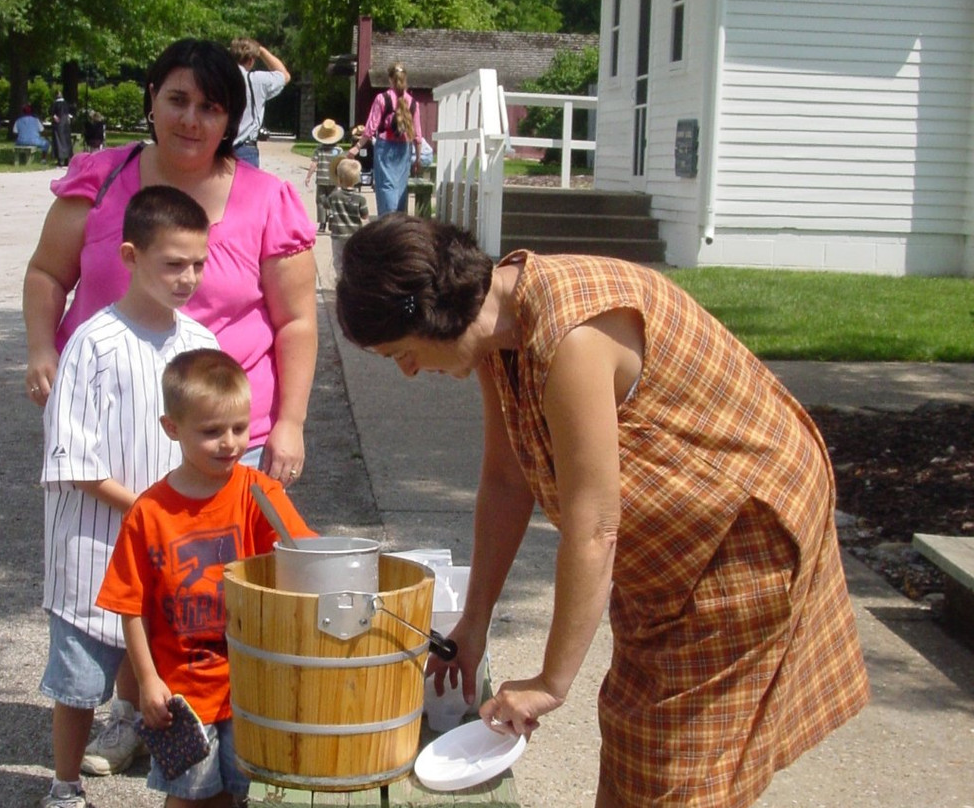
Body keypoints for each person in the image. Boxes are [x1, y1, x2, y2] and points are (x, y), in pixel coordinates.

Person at [334, 215, 871, 808]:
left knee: (680, 762)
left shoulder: (574, 336)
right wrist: (475, 619)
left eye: (400, 353)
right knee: (635, 723)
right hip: (678, 546)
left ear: (429, 315)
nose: (408, 371)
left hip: (742, 536)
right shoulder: (497, 333)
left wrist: (550, 683)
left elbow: (595, 529)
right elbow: (506, 479)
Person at [22, 36, 317, 779]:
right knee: (133, 573)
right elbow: (45, 272)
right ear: (152, 98)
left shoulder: (266, 197)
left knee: (205, 591)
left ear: (232, 119)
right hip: (119, 412)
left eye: (212, 107)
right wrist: (39, 349)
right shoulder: (102, 176)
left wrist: (288, 422)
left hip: (223, 426)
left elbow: (296, 320)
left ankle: (213, 724)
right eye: (178, 99)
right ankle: (133, 715)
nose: (192, 119)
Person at [37, 186, 220, 808]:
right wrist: (151, 508)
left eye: (198, 263)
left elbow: (215, 430)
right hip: (95, 540)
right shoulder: (92, 343)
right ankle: (65, 783)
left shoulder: (199, 342)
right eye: (173, 263)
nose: (187, 277)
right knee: (80, 673)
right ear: (130, 255)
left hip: (169, 543)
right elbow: (73, 457)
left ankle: (173, 760)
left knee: (156, 653)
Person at [96, 348, 316, 808]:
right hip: (183, 694)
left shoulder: (258, 493)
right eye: (212, 431)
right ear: (172, 428)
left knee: (240, 794)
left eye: (239, 428)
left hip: (251, 685)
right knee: (190, 799)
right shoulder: (149, 513)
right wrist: (146, 681)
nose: (230, 443)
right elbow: (128, 606)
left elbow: (309, 555)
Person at [346, 63, 422, 216]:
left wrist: (357, 147)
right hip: (404, 150)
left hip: (385, 148)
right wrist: (418, 159)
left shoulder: (382, 99)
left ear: (390, 80)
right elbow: (417, 136)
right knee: (401, 187)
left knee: (385, 186)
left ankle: (387, 222)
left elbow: (370, 129)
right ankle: (398, 224)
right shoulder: (413, 103)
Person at [229, 37, 290, 168]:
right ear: (251, 60)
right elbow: (284, 75)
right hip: (245, 149)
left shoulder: (217, 77)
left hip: (221, 149)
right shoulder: (257, 80)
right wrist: (261, 50)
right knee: (248, 188)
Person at [325, 157, 368, 274]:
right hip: (354, 234)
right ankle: (352, 280)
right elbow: (364, 216)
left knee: (338, 260)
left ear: (339, 179)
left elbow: (325, 205)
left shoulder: (334, 196)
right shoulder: (360, 199)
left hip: (338, 234)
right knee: (353, 259)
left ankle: (340, 279)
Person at [304, 119, 344, 233]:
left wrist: (308, 176)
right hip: (334, 180)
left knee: (320, 201)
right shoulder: (338, 150)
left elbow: (313, 164)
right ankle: (332, 219)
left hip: (321, 180)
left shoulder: (319, 150)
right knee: (333, 200)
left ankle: (322, 224)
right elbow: (341, 164)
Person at [51, 91, 74, 167]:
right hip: (66, 126)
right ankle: (67, 160)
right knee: (66, 141)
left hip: (58, 126)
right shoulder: (66, 104)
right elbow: (70, 114)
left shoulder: (55, 104)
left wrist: (55, 117)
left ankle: (60, 161)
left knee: (58, 142)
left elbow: (52, 113)